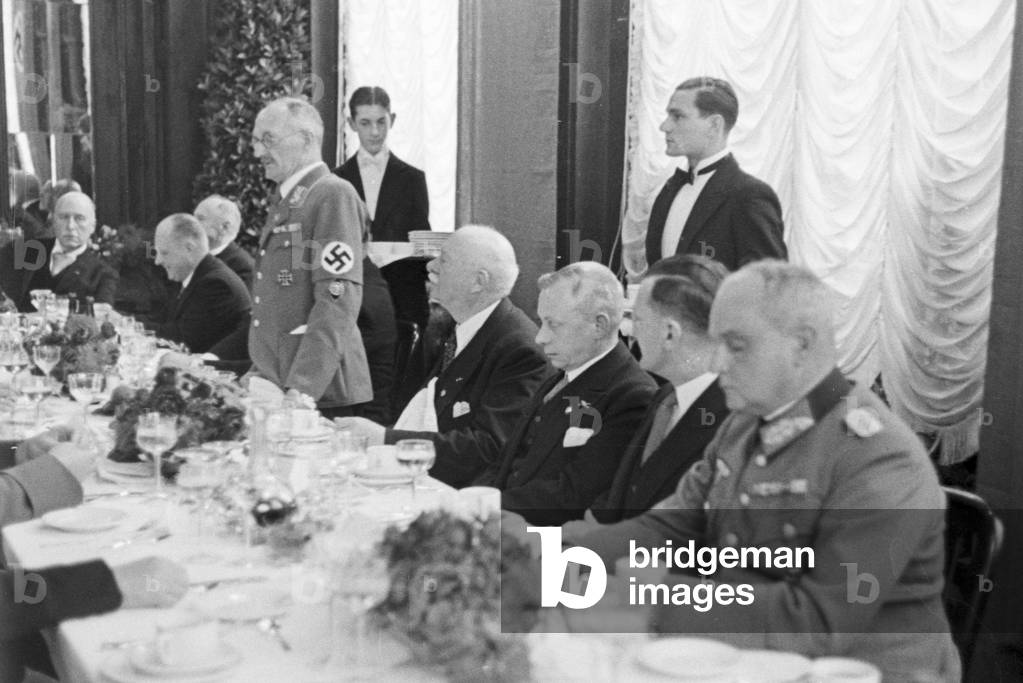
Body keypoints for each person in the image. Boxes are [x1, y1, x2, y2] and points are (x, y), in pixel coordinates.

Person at [567, 261, 959, 683]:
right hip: (753, 660)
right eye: (716, 342)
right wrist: (562, 563)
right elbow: (672, 525)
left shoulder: (878, 458)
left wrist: (651, 596)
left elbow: (817, 623)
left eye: (736, 345)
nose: (717, 362)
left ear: (801, 345)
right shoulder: (743, 426)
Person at [336, 225, 552, 487]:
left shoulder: (520, 350)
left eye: (445, 260)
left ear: (478, 282)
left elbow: (488, 449)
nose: (431, 266)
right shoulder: (462, 327)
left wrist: (385, 439)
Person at [474, 262, 658, 525]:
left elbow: (576, 495)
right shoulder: (562, 376)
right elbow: (505, 463)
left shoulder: (632, 396)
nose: (540, 337)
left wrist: (483, 505)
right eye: (541, 322)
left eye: (553, 324)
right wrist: (470, 499)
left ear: (599, 325)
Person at [562, 255, 730, 543]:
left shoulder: (731, 419)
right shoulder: (665, 398)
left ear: (670, 334)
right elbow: (624, 495)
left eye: (637, 319)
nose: (629, 329)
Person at [248, 97, 372, 417]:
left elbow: (337, 297)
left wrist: (302, 388)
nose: (258, 152)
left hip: (317, 391)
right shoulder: (291, 198)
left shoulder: (332, 193)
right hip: (280, 381)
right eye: (256, 141)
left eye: (268, 140)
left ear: (306, 139)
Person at [645, 77, 786, 272]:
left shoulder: (749, 195)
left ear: (714, 125)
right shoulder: (670, 188)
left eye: (677, 116)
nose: (664, 126)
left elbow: (768, 281)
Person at [334, 86, 430, 241]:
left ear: (392, 120)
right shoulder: (336, 179)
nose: (375, 132)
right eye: (365, 123)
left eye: (381, 122)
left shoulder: (413, 179)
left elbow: (421, 241)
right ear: (352, 124)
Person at [150, 213, 251, 359]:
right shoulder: (195, 275)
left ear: (189, 248)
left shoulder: (216, 284)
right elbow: (164, 320)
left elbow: (182, 340)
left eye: (164, 253)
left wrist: (125, 326)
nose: (157, 261)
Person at [0, 191, 118, 312]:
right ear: (54, 222)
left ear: (92, 226)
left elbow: (102, 312)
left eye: (79, 218)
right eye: (63, 217)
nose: (70, 226)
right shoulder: (30, 249)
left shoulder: (102, 273)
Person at [194, 194, 255, 288]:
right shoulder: (188, 253)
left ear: (224, 227)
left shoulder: (242, 268)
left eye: (200, 218)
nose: (191, 223)